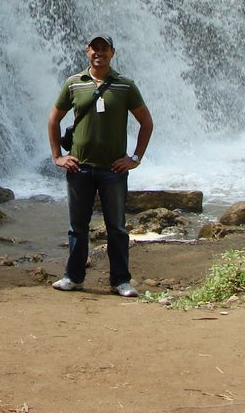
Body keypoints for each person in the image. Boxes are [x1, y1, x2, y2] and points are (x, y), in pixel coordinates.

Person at [47, 33, 153, 297]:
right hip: (79, 167)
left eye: (104, 49)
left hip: (113, 170)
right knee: (77, 227)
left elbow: (146, 122)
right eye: (95, 48)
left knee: (116, 227)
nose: (99, 53)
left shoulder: (125, 85)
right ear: (87, 51)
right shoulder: (74, 83)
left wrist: (135, 158)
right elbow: (53, 120)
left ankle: (121, 281)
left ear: (112, 53)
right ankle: (73, 277)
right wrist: (57, 156)